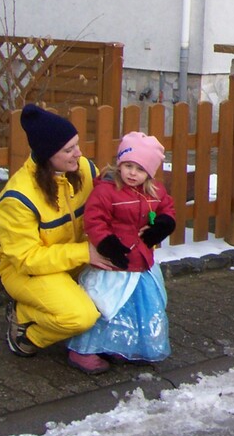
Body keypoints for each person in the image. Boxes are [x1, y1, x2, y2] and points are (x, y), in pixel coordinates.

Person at [0, 104, 117, 370]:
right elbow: (27, 259)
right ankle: (26, 328)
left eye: (77, 145)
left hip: (71, 260)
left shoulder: (83, 169)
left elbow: (108, 205)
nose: (78, 153)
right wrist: (85, 253)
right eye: (69, 150)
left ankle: (111, 343)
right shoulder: (18, 198)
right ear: (48, 154)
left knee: (125, 280)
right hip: (26, 271)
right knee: (80, 316)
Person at [68, 131, 176, 370]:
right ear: (120, 164)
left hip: (141, 262)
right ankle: (85, 349)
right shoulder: (106, 190)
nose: (132, 173)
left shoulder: (154, 191)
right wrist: (106, 243)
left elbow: (167, 208)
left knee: (140, 306)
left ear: (149, 172)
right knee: (107, 304)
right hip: (113, 263)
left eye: (140, 169)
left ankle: (125, 345)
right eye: (128, 166)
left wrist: (163, 224)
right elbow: (95, 219)